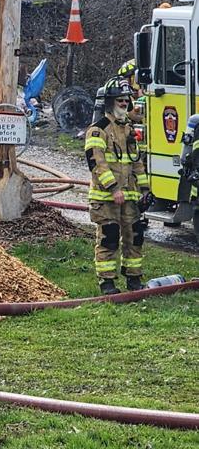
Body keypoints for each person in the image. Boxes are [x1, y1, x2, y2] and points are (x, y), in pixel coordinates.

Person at [85, 78, 150, 295]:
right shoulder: (98, 130)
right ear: (109, 101)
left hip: (130, 198)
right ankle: (108, 283)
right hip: (106, 199)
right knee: (109, 238)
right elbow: (96, 163)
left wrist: (145, 190)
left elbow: (137, 162)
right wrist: (113, 189)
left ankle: (134, 279)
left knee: (135, 237)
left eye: (126, 100)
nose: (124, 103)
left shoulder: (128, 129)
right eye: (120, 100)